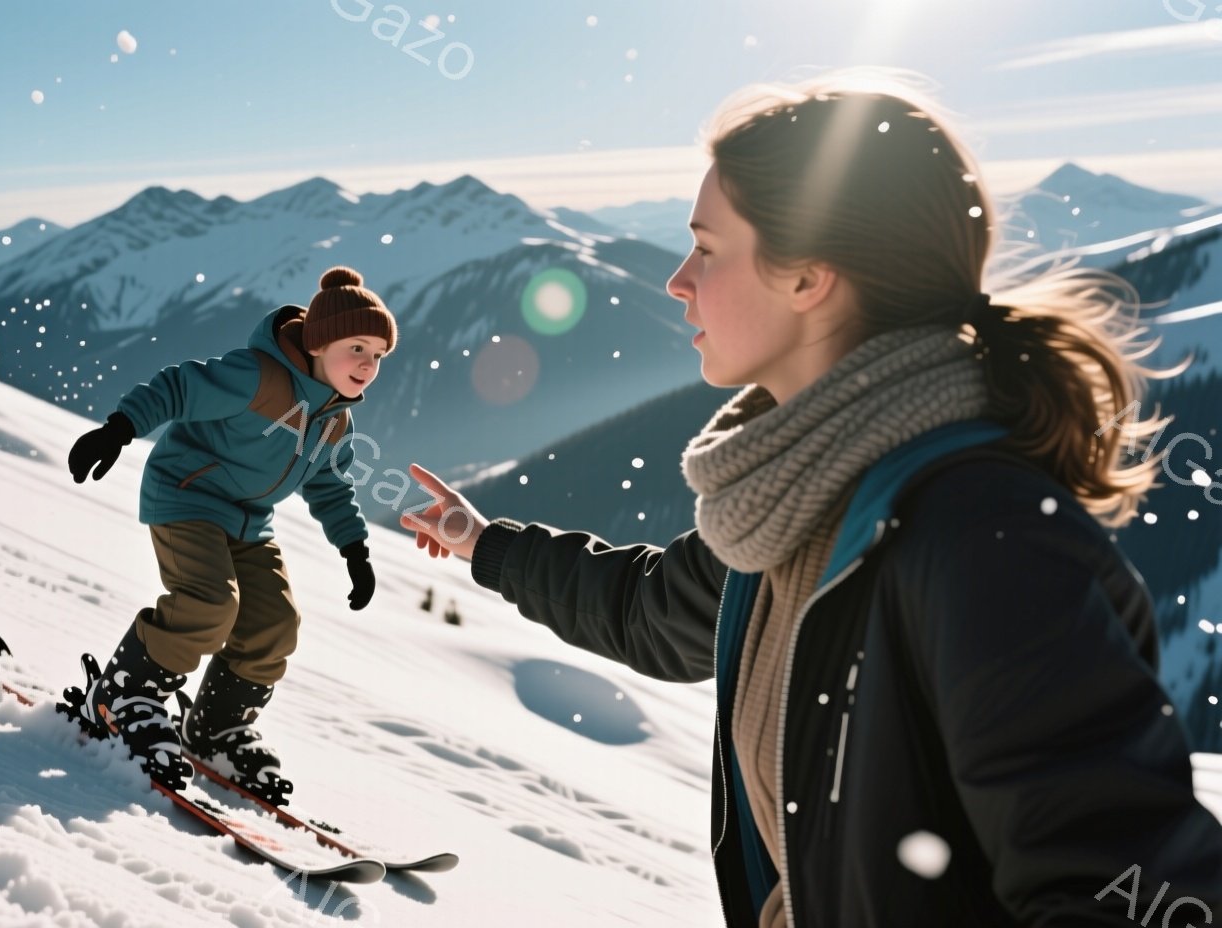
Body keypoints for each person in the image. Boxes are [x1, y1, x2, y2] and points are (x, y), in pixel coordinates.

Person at [399, 70, 1222, 926]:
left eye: (708, 249)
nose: (677, 280)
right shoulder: (791, 497)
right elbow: (652, 611)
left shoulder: (982, 541)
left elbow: (1129, 887)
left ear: (808, 277)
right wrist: (485, 544)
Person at [67, 266, 393, 802]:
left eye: (378, 355)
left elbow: (330, 484)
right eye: (356, 347)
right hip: (186, 498)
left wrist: (354, 549)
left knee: (274, 624)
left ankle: (215, 729)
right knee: (209, 602)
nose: (367, 364)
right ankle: (123, 696)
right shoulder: (259, 378)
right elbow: (179, 388)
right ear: (318, 342)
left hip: (248, 520)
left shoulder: (335, 421)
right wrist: (120, 428)